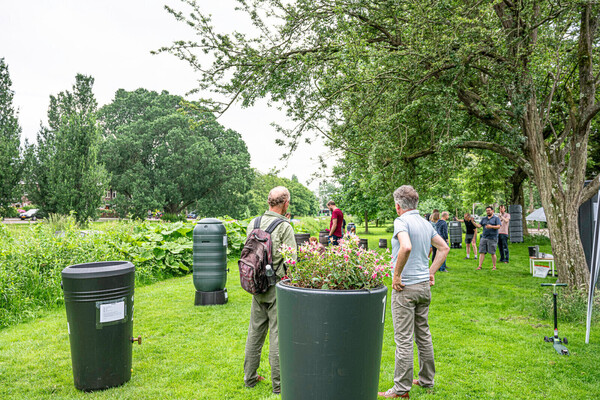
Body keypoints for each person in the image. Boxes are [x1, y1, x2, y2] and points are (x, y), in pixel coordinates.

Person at [379, 186, 449, 399]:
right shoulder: (426, 223)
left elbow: (406, 247)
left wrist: (397, 275)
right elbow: (444, 248)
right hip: (423, 288)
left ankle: (401, 389)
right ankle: (427, 380)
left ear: (398, 205)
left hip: (405, 288)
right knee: (423, 335)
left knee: (403, 339)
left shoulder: (401, 221)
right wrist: (430, 272)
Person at [243, 186, 297, 395]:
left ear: (268, 202)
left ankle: (249, 377)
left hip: (256, 285)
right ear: (285, 203)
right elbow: (292, 260)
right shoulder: (284, 227)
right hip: (276, 287)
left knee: (255, 332)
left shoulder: (253, 223)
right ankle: (279, 385)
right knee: (277, 335)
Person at [474, 206, 501, 270]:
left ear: (492, 211)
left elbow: (498, 226)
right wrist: (473, 222)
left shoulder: (496, 218)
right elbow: (479, 226)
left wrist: (491, 226)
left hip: (492, 238)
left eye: (489, 210)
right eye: (487, 211)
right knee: (482, 252)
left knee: (492, 253)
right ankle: (480, 266)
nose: (487, 212)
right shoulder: (484, 219)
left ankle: (494, 266)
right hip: (484, 237)